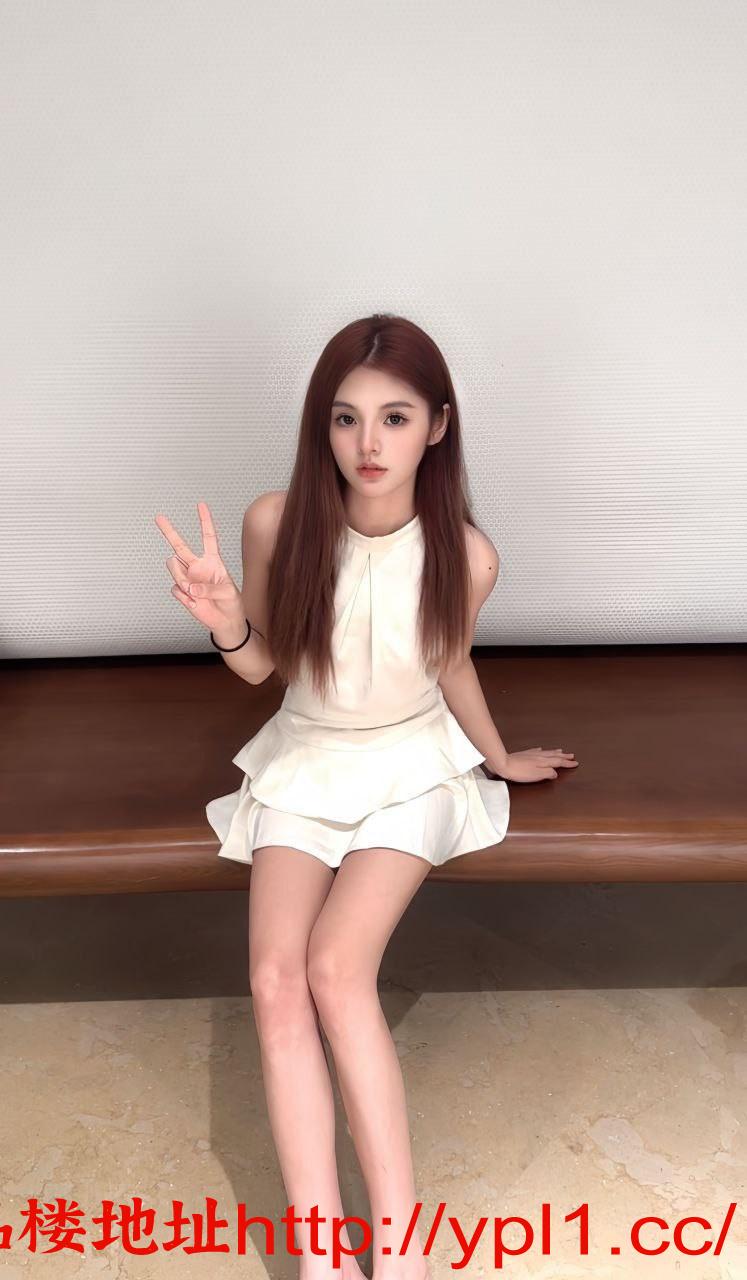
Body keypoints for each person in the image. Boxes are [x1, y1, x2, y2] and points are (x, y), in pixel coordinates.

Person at [154, 313, 578, 1280]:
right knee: (275, 981)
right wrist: (224, 621)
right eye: (346, 419)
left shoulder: (466, 554)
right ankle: (322, 1255)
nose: (368, 444)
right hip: (303, 759)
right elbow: (264, 668)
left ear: (437, 425)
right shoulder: (277, 522)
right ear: (324, 426)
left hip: (412, 764)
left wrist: (496, 758)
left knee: (336, 969)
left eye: (394, 418)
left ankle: (399, 1246)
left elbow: (448, 663)